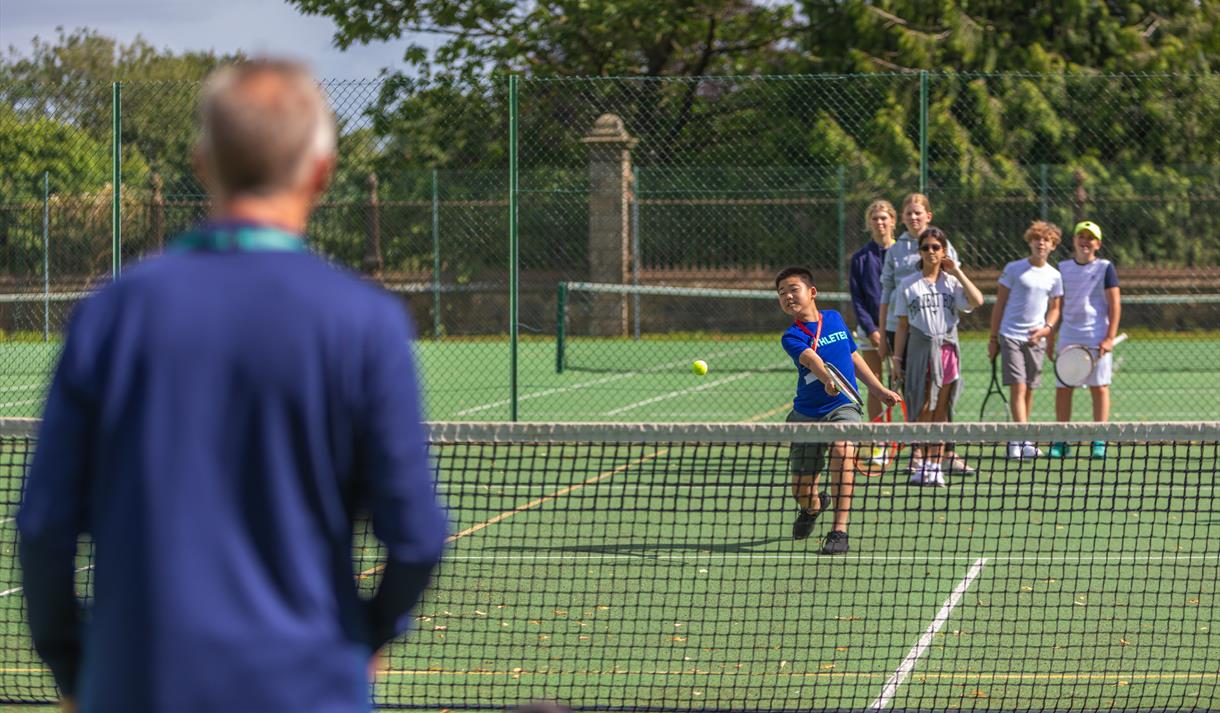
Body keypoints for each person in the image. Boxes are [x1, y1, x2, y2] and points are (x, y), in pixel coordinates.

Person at [17, 60, 448, 713]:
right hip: (308, 686)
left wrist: (74, 666)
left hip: (135, 684)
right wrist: (369, 633)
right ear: (321, 172)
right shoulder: (367, 321)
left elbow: (45, 526)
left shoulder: (113, 312)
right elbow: (415, 533)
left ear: (201, 162)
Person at [776, 266, 902, 554]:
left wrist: (878, 389)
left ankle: (839, 531)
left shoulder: (833, 318)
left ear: (812, 292)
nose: (787, 296)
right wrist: (827, 379)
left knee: (843, 450)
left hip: (843, 405)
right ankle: (813, 508)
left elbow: (852, 355)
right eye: (781, 293)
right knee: (801, 491)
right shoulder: (791, 336)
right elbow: (811, 360)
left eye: (793, 289)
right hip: (806, 415)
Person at [878, 193, 974, 475]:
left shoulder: (944, 245)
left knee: (944, 392)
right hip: (905, 333)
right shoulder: (895, 251)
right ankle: (917, 453)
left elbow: (955, 285)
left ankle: (947, 452)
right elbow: (887, 292)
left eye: (918, 213)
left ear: (928, 215)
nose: (913, 217)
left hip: (940, 334)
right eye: (908, 213)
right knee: (914, 395)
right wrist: (884, 333)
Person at [892, 227, 984, 486]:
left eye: (936, 247)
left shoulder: (951, 282)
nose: (931, 252)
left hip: (946, 351)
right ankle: (921, 461)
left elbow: (976, 300)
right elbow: (902, 326)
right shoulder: (908, 285)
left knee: (941, 410)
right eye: (926, 248)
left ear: (944, 251)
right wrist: (897, 361)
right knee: (921, 407)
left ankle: (935, 466)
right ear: (919, 252)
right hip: (920, 350)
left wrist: (957, 271)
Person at [988, 220, 1064, 458]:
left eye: (1047, 240)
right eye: (1037, 239)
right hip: (1010, 335)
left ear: (1052, 246)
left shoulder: (1054, 276)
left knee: (1029, 389)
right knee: (1019, 387)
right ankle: (1020, 441)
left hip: (1036, 340)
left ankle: (1020, 439)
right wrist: (993, 338)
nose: (1041, 243)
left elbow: (1055, 308)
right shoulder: (1013, 269)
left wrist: (1046, 330)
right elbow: (999, 304)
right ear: (1030, 242)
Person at [1050, 220, 1122, 458]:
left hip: (1097, 336)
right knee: (1064, 388)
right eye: (1081, 236)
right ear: (1074, 241)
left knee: (1099, 388)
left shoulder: (1105, 268)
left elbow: (1115, 305)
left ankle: (1099, 439)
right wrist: (1050, 339)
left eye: (1090, 238)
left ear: (1098, 244)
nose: (1085, 241)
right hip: (1069, 336)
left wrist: (1109, 337)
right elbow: (1056, 306)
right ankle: (1062, 440)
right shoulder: (1061, 268)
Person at [849, 199, 897, 424]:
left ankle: (912, 440)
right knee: (875, 384)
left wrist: (893, 329)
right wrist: (872, 330)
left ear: (893, 221)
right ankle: (879, 441)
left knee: (903, 383)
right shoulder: (860, 258)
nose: (879, 222)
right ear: (869, 222)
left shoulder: (904, 255)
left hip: (900, 330)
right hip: (871, 332)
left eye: (884, 218)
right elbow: (857, 299)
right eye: (875, 218)